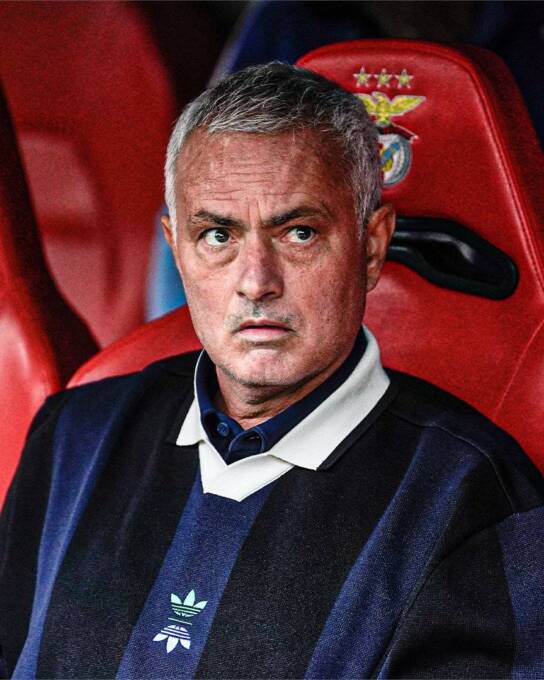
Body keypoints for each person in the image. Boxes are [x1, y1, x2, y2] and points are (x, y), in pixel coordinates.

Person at [2, 63, 544, 679]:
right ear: (176, 248)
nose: (256, 281)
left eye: (299, 233)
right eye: (217, 236)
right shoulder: (75, 435)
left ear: (371, 247)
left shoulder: (476, 502)